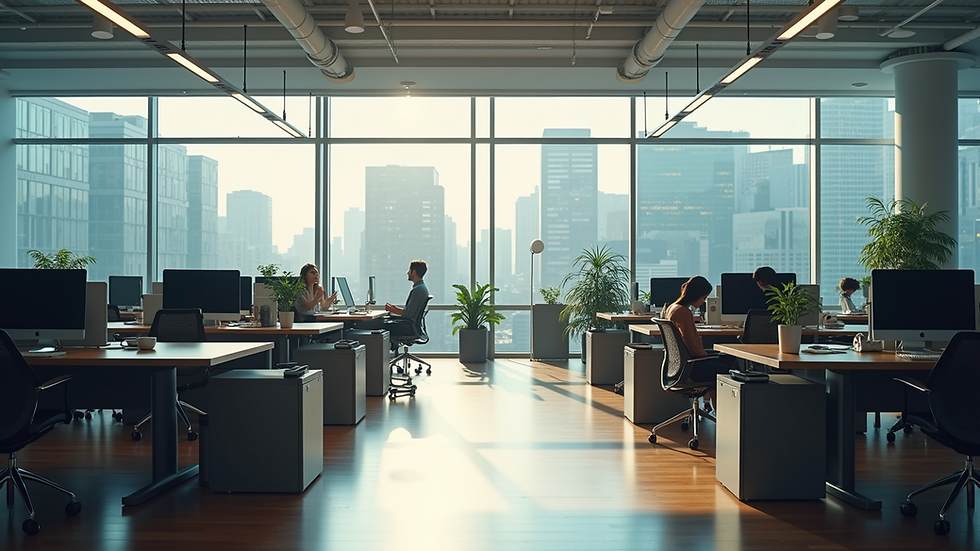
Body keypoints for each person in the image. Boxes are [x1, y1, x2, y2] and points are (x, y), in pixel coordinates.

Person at [662, 276, 738, 410]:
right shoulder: (684, 312)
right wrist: (707, 356)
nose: (704, 301)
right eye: (704, 297)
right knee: (726, 368)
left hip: (680, 366)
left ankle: (715, 407)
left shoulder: (672, 308)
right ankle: (722, 412)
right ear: (697, 295)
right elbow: (692, 346)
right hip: (691, 368)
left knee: (724, 361)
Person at [383, 260, 430, 349]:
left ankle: (381, 357)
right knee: (386, 322)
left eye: (409, 270)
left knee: (380, 326)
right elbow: (410, 312)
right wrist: (394, 309)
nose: (407, 272)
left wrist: (393, 309)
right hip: (412, 325)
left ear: (414, 272)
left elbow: (409, 314)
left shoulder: (418, 290)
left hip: (410, 327)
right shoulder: (421, 288)